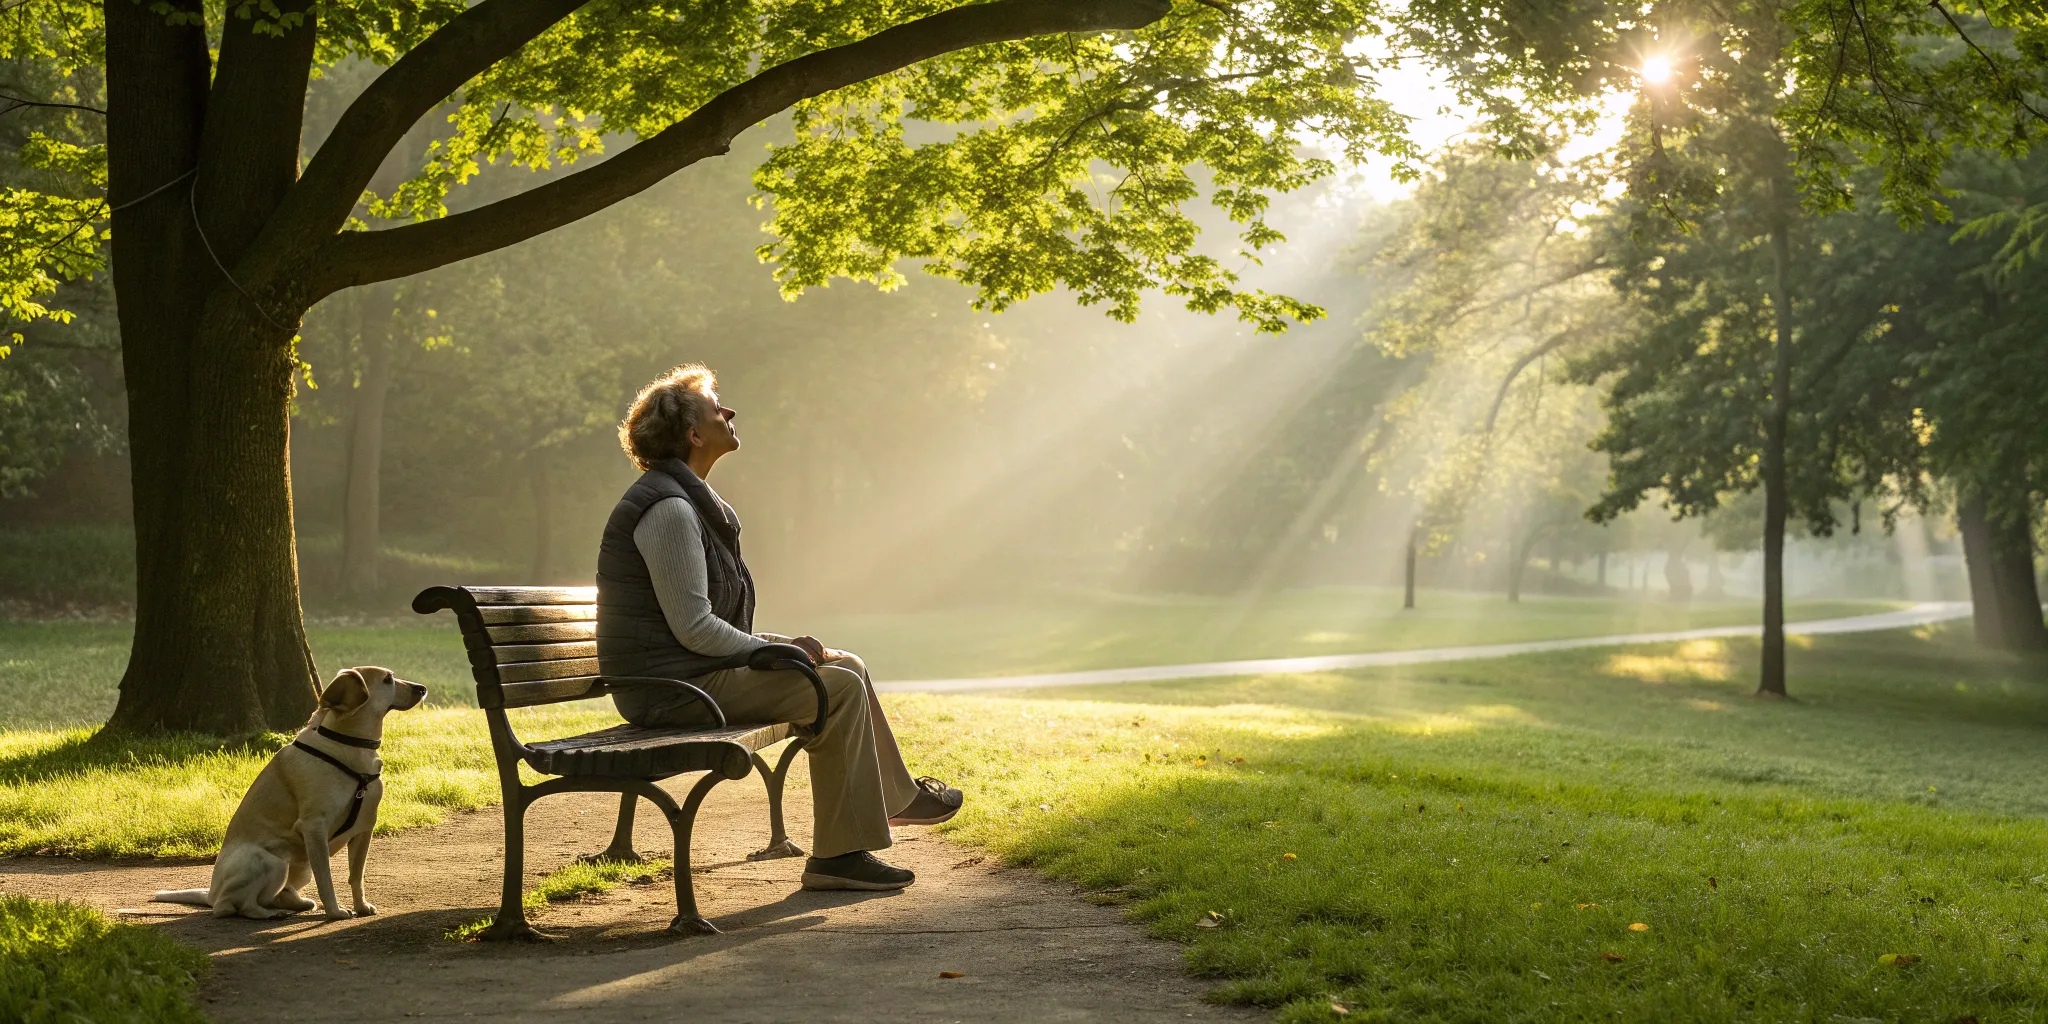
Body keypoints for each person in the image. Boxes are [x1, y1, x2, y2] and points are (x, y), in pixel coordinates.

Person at [594, 364, 962, 892]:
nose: (730, 412)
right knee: (834, 687)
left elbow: (703, 626)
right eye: (716, 407)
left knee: (845, 664)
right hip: (669, 692)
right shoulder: (671, 511)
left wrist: (782, 646)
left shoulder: (690, 503)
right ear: (694, 435)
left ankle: (894, 800)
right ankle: (839, 856)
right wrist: (778, 653)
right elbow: (697, 630)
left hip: (689, 676)